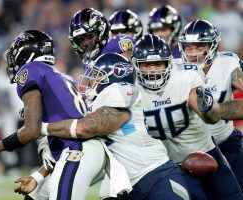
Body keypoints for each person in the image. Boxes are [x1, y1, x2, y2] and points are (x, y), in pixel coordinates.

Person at [33, 52, 205, 200]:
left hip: (156, 176)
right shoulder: (95, 103)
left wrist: (41, 128)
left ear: (114, 76)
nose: (91, 80)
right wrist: (38, 175)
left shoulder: (120, 91)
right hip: (125, 186)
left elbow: (85, 128)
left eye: (97, 75)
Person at [0, 30, 106, 200]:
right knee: (33, 196)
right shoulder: (62, 77)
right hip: (78, 151)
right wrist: (38, 176)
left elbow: (32, 130)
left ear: (27, 52)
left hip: (78, 151)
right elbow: (61, 137)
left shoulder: (31, 69)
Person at [132, 34, 243, 199]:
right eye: (146, 65)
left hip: (206, 151)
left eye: (158, 64)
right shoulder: (131, 92)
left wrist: (208, 108)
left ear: (168, 62)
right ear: (135, 65)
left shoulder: (185, 78)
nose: (153, 70)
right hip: (171, 165)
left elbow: (210, 118)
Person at [178, 19, 243, 191]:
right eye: (189, 47)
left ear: (213, 45)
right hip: (191, 147)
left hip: (225, 140)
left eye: (200, 46)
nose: (194, 53)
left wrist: (214, 111)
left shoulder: (228, 63)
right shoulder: (175, 70)